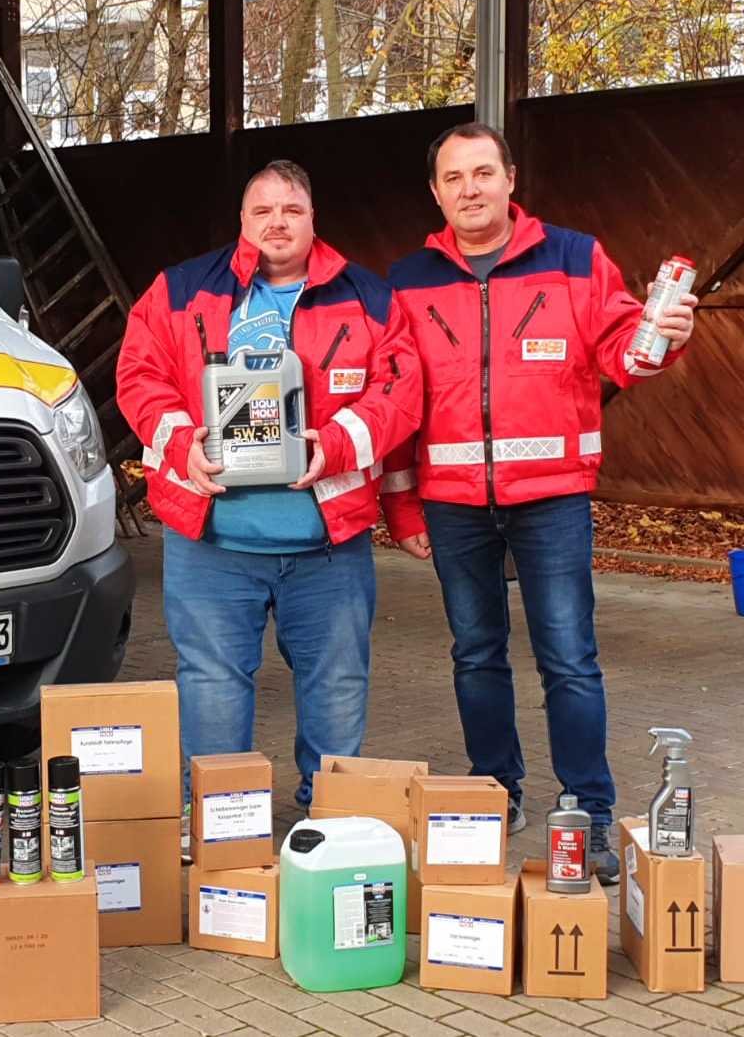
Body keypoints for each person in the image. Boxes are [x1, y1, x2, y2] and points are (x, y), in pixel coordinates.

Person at [380, 123, 696, 883]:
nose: (470, 189)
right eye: (453, 178)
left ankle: (586, 812)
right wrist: (402, 506)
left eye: (483, 172)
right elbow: (394, 398)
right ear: (436, 192)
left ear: (511, 178)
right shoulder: (408, 279)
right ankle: (494, 791)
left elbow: (627, 346)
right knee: (476, 654)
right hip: (453, 501)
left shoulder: (576, 259)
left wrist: (669, 335)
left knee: (570, 661)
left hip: (552, 498)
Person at [116, 160, 421, 850]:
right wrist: (178, 441)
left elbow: (400, 391)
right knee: (213, 688)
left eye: (292, 209)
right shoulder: (181, 289)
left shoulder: (370, 297)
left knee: (337, 686)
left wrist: (340, 442)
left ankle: (330, 826)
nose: (277, 222)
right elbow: (138, 374)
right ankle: (225, 828)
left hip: (327, 542)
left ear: (314, 219)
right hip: (212, 539)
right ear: (243, 222)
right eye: (263, 211)